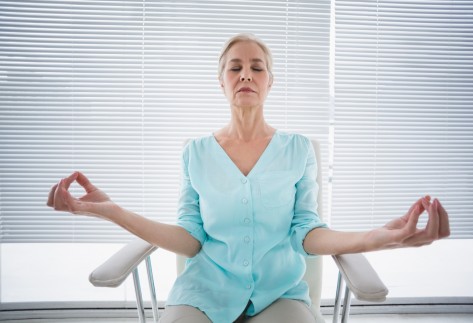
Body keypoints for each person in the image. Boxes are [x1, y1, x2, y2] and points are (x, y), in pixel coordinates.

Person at [47, 33, 450, 323]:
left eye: (257, 68)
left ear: (269, 82)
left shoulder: (298, 150)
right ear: (221, 82)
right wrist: (112, 211)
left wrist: (378, 237)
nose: (246, 74)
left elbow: (306, 233)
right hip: (203, 294)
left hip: (280, 295)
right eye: (235, 67)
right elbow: (189, 237)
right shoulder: (195, 153)